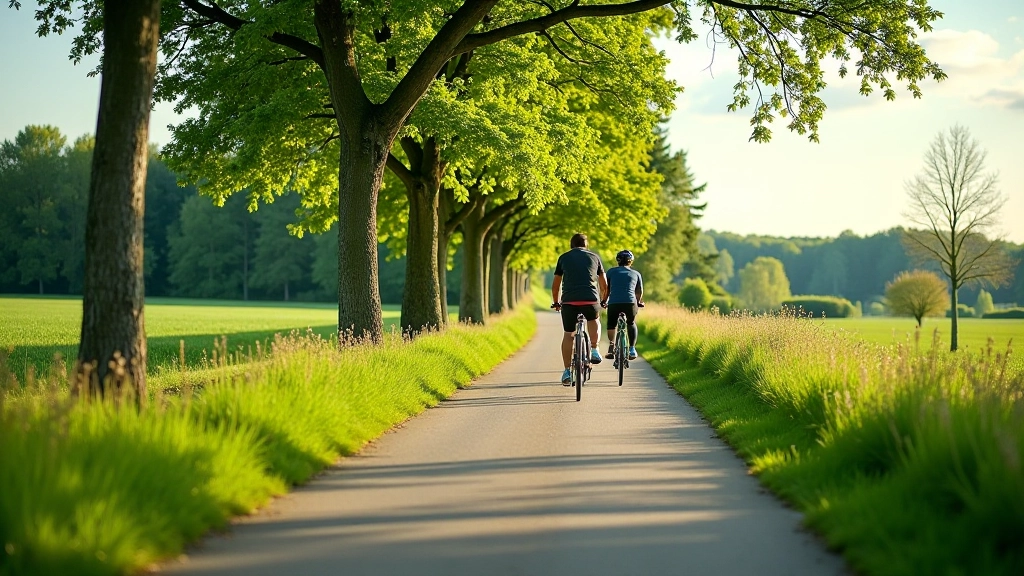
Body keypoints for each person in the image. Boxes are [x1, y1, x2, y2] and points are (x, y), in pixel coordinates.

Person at [551, 233, 608, 385]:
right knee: (594, 319)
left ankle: (567, 371)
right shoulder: (595, 258)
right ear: (586, 244)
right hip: (590, 299)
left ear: (572, 245)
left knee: (568, 334)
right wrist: (603, 300)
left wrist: (556, 302)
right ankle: (595, 350)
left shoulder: (563, 258)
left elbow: (556, 285)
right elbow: (604, 284)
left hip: (569, 302)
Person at [604, 249, 644, 361]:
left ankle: (611, 346)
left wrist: (604, 301)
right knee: (630, 322)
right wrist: (638, 301)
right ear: (631, 261)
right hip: (630, 303)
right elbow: (639, 291)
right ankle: (632, 349)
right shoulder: (636, 274)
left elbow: (606, 289)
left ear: (618, 260)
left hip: (614, 303)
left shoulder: (611, 272)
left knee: (611, 324)